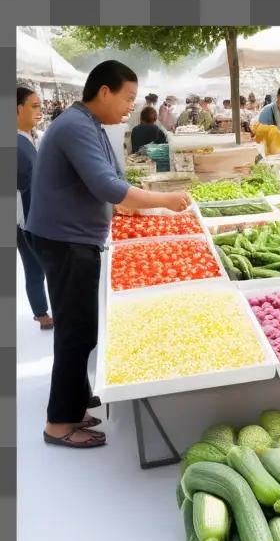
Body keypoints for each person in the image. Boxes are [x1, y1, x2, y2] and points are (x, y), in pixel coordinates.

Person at [26, 61, 192, 449]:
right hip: (66, 240)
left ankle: (74, 401)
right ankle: (59, 424)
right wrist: (165, 200)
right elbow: (105, 185)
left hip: (71, 237)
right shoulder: (74, 126)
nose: (130, 107)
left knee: (78, 327)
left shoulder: (88, 124)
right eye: (127, 98)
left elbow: (108, 180)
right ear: (104, 91)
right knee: (76, 330)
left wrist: (128, 203)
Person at [17, 87, 52, 330]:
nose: (40, 111)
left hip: (29, 217)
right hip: (27, 218)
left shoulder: (30, 137)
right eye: (35, 106)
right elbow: (26, 190)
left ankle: (41, 313)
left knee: (33, 265)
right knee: (38, 264)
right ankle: (42, 313)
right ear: (17, 109)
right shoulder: (18, 146)